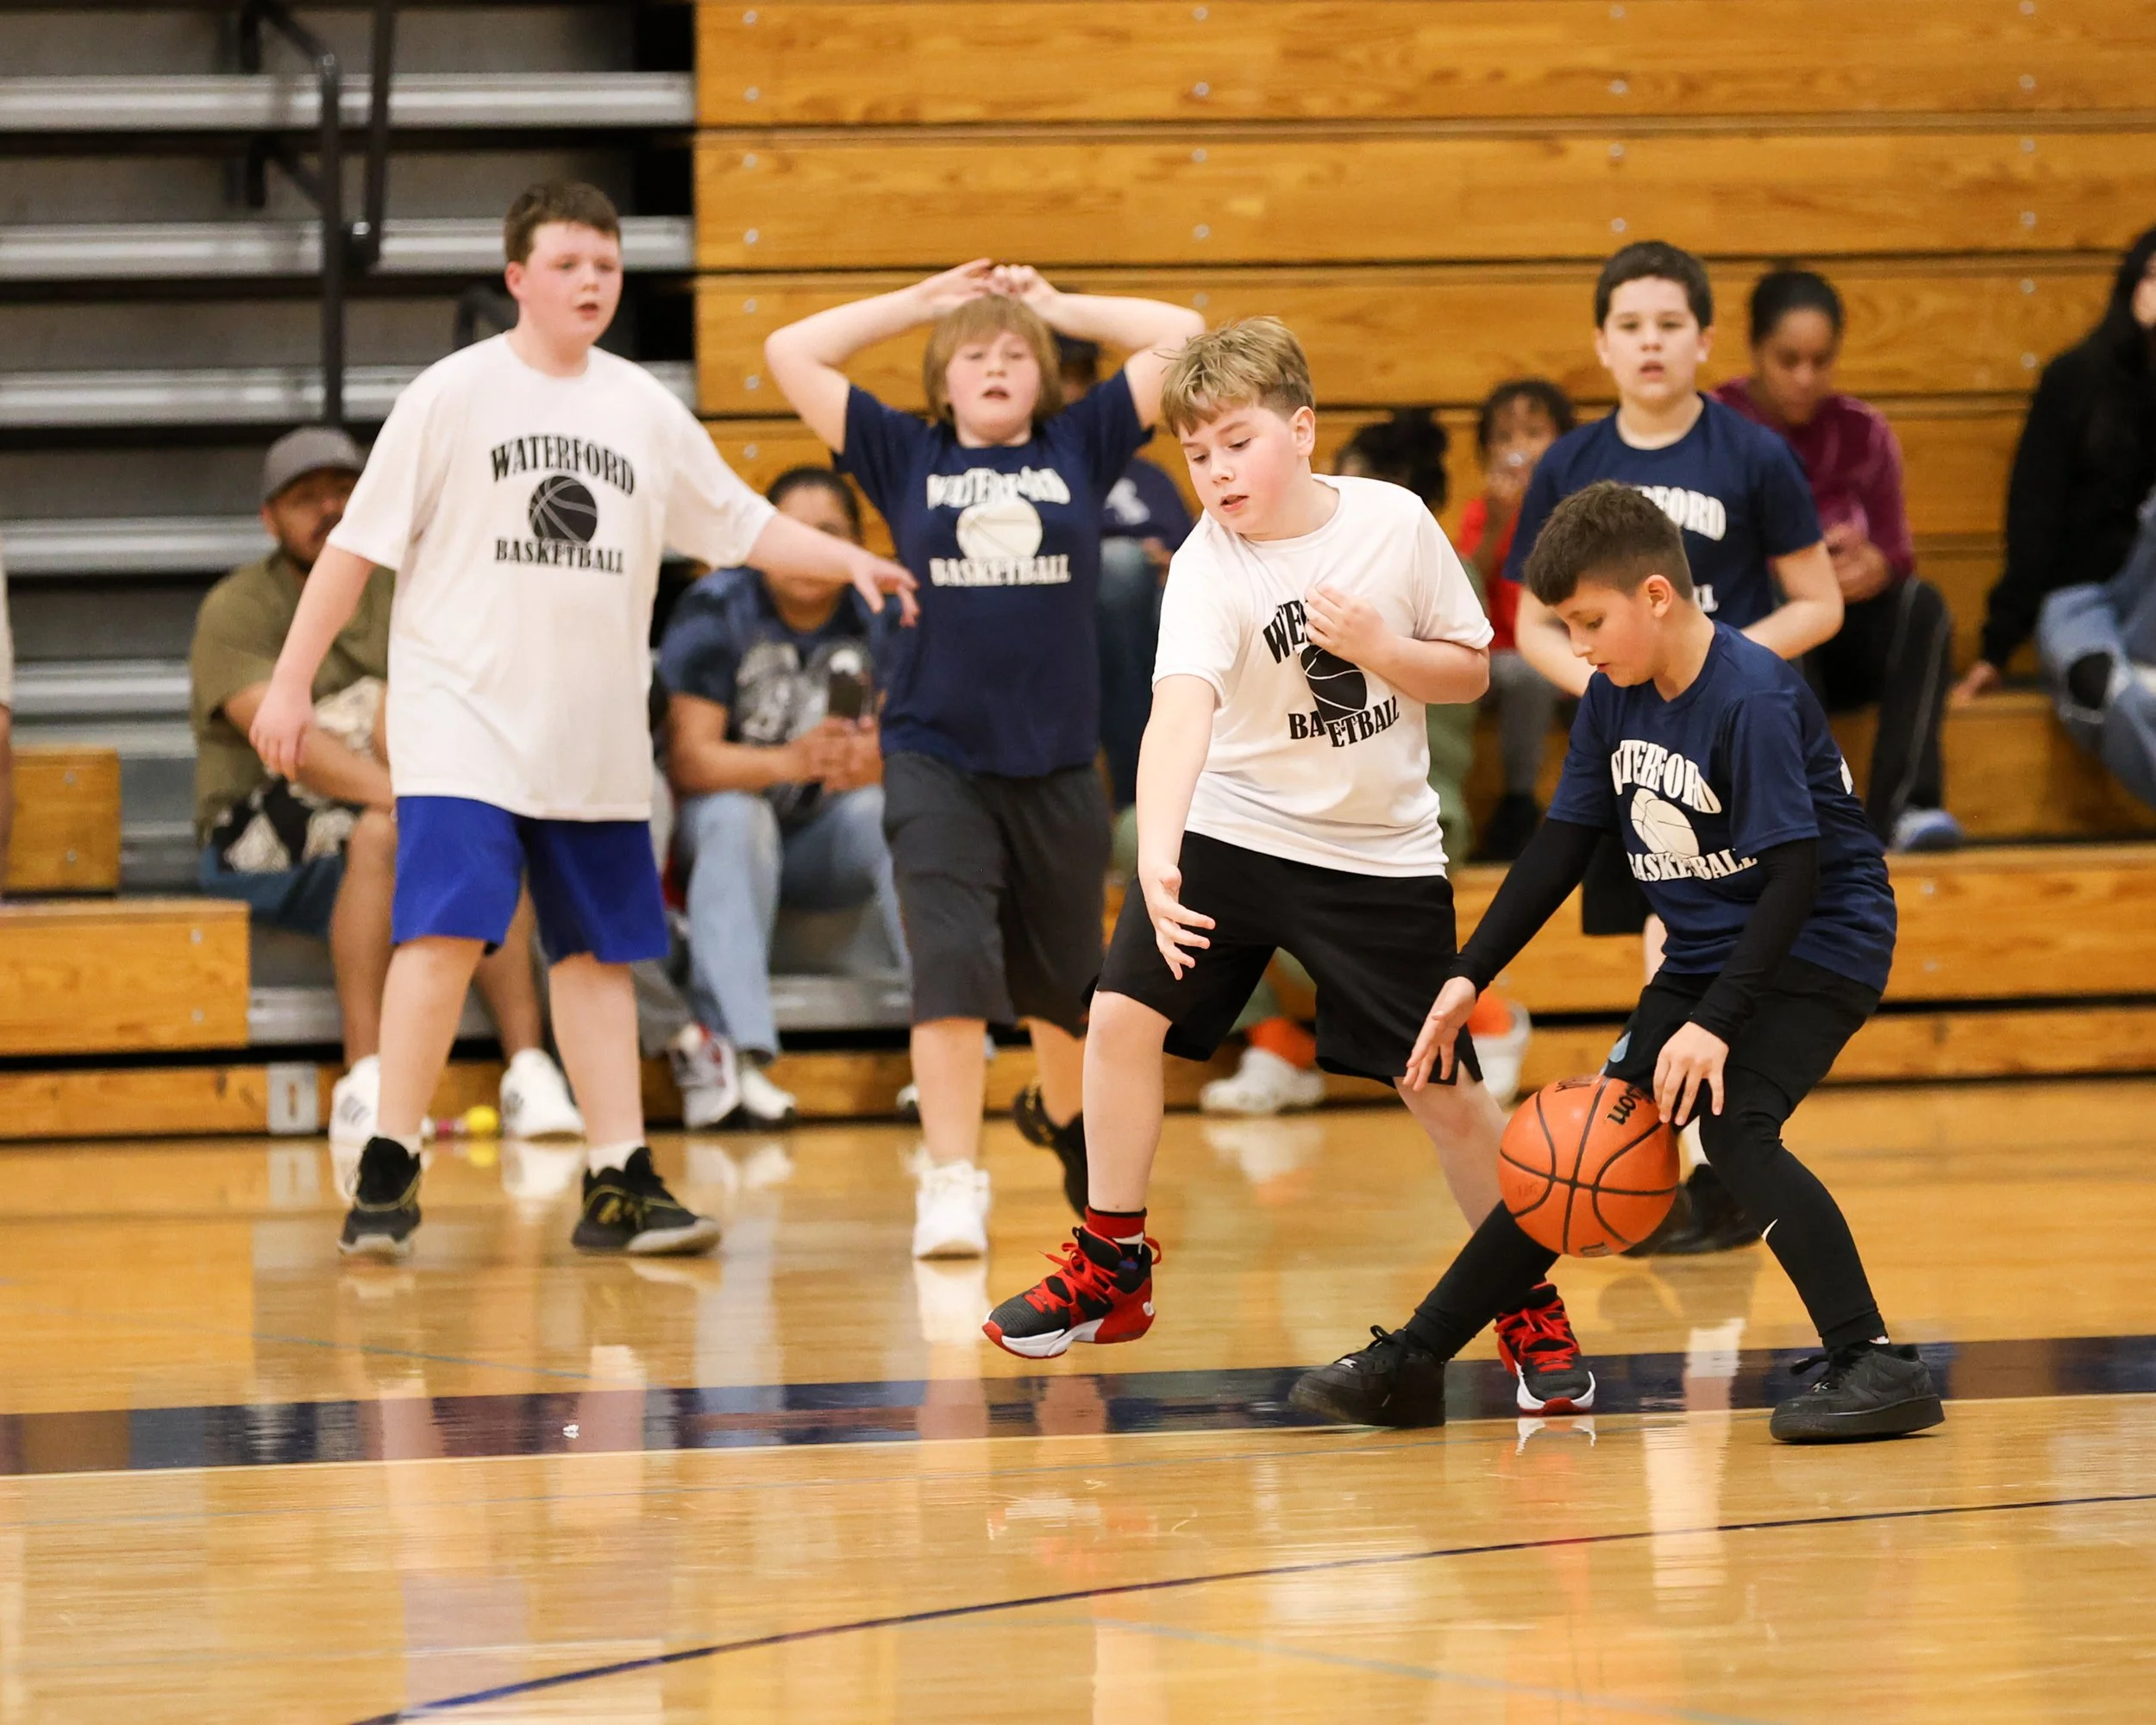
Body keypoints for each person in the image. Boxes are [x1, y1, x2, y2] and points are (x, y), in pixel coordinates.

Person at [248, 180, 913, 1261]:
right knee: (448, 928)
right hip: (462, 719)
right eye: (567, 265)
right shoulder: (451, 395)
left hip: (593, 734)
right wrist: (289, 684)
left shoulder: (642, 408)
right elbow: (353, 548)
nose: (591, 282)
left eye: (605, 265)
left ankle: (620, 1178)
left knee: (601, 954)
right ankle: (389, 1155)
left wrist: (850, 559)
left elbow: (741, 523)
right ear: (519, 278)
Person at [983, 319, 1599, 1418]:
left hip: (1375, 855)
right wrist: (1162, 860)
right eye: (1196, 453)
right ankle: (1111, 1266)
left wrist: (1379, 649)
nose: (1217, 471)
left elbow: (1463, 675)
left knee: (1440, 1091)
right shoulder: (1205, 569)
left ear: (1301, 429)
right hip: (1233, 832)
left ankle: (1525, 1305)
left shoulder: (1394, 524)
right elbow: (1177, 717)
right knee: (1120, 1019)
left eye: (1236, 442)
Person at [1292, 480, 1944, 1446]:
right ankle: (1415, 1360)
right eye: (1564, 624)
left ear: (1654, 595)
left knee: (1734, 1134)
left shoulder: (1754, 695)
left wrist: (1715, 1022)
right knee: (1585, 1141)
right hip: (1709, 947)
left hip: (1818, 939)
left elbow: (1795, 875)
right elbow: (1561, 843)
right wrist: (1468, 971)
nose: (1580, 644)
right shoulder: (1612, 697)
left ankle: (1873, 1359)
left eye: (1588, 620)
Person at [764, 260, 1203, 1258]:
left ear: (1044, 377)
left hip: (1054, 761)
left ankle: (1074, 1135)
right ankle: (953, 1179)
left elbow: (1181, 330)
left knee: (1066, 989)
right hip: (934, 753)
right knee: (951, 968)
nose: (997, 365)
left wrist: (1055, 309)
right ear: (942, 379)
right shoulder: (899, 449)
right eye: (975, 353)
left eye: (1016, 354)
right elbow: (789, 350)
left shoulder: (1080, 442)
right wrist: (921, 302)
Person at [1507, 240, 1842, 1258]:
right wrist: (1618, 688)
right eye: (1628, 325)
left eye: (1668, 324)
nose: (1649, 342)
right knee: (1668, 938)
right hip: (1631, 755)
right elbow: (1528, 624)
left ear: (1703, 340)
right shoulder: (1569, 462)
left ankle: (1706, 1167)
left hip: (1743, 742)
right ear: (1599, 344)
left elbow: (1819, 601)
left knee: (1695, 939)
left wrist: (1705, 673)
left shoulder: (1751, 454)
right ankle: (1685, 1163)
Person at [190, 426, 579, 1152]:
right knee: (402, 831)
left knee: (468, 830)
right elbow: (284, 742)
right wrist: (415, 800)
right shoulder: (237, 606)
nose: (330, 508)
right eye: (306, 499)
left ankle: (530, 1070)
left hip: (394, 800)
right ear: (269, 521)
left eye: (344, 490)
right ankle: (365, 1080)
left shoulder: (414, 583)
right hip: (260, 831)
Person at [1200, 410, 1532, 1116]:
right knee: (1187, 845)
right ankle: (1275, 1042)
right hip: (1299, 788)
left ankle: (1486, 1013)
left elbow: (1462, 682)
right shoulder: (1263, 565)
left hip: (1408, 795)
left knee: (1299, 883)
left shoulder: (1429, 560)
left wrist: (1378, 646)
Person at [659, 466, 907, 1129]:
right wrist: (788, 761)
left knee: (899, 810)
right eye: (791, 530)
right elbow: (689, 762)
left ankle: (946, 1037)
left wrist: (874, 758)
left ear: (856, 543)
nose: (808, 546)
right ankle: (736, 1052)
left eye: (828, 533)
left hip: (828, 837)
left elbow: (917, 747)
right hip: (722, 832)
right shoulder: (716, 605)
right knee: (740, 818)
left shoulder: (880, 610)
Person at [1714, 269, 1962, 851]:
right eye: (1788, 359)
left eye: (1821, 361)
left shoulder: (1862, 430)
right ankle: (1808, 814)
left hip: (1848, 634)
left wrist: (1877, 565)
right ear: (1754, 351)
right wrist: (1794, 571)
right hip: (1756, 639)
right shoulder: (1716, 425)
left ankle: (1907, 808)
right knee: (1786, 606)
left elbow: (1899, 548)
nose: (1805, 378)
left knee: (1923, 605)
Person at [1956, 224, 2156, 706]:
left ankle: (2142, 683)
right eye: (2151, 275)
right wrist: (1996, 649)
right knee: (2103, 690)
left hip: (2150, 598)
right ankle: (2135, 690)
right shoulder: (2075, 380)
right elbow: (2033, 516)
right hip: (2079, 597)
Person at [1058, 335, 1197, 821]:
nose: (1072, 392)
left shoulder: (1152, 477)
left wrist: (1170, 565)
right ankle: (1137, 792)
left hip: (1161, 622)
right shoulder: (1037, 477)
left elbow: (1203, 556)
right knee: (1118, 570)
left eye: (1081, 378)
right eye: (1060, 379)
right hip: (1078, 623)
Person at [1460, 379, 1575, 861]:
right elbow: (1466, 588)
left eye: (1533, 433)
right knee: (1525, 676)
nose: (1518, 449)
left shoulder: (1576, 510)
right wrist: (1497, 525)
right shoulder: (1481, 514)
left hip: (1571, 656)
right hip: (1501, 660)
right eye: (1504, 438)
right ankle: (1517, 804)